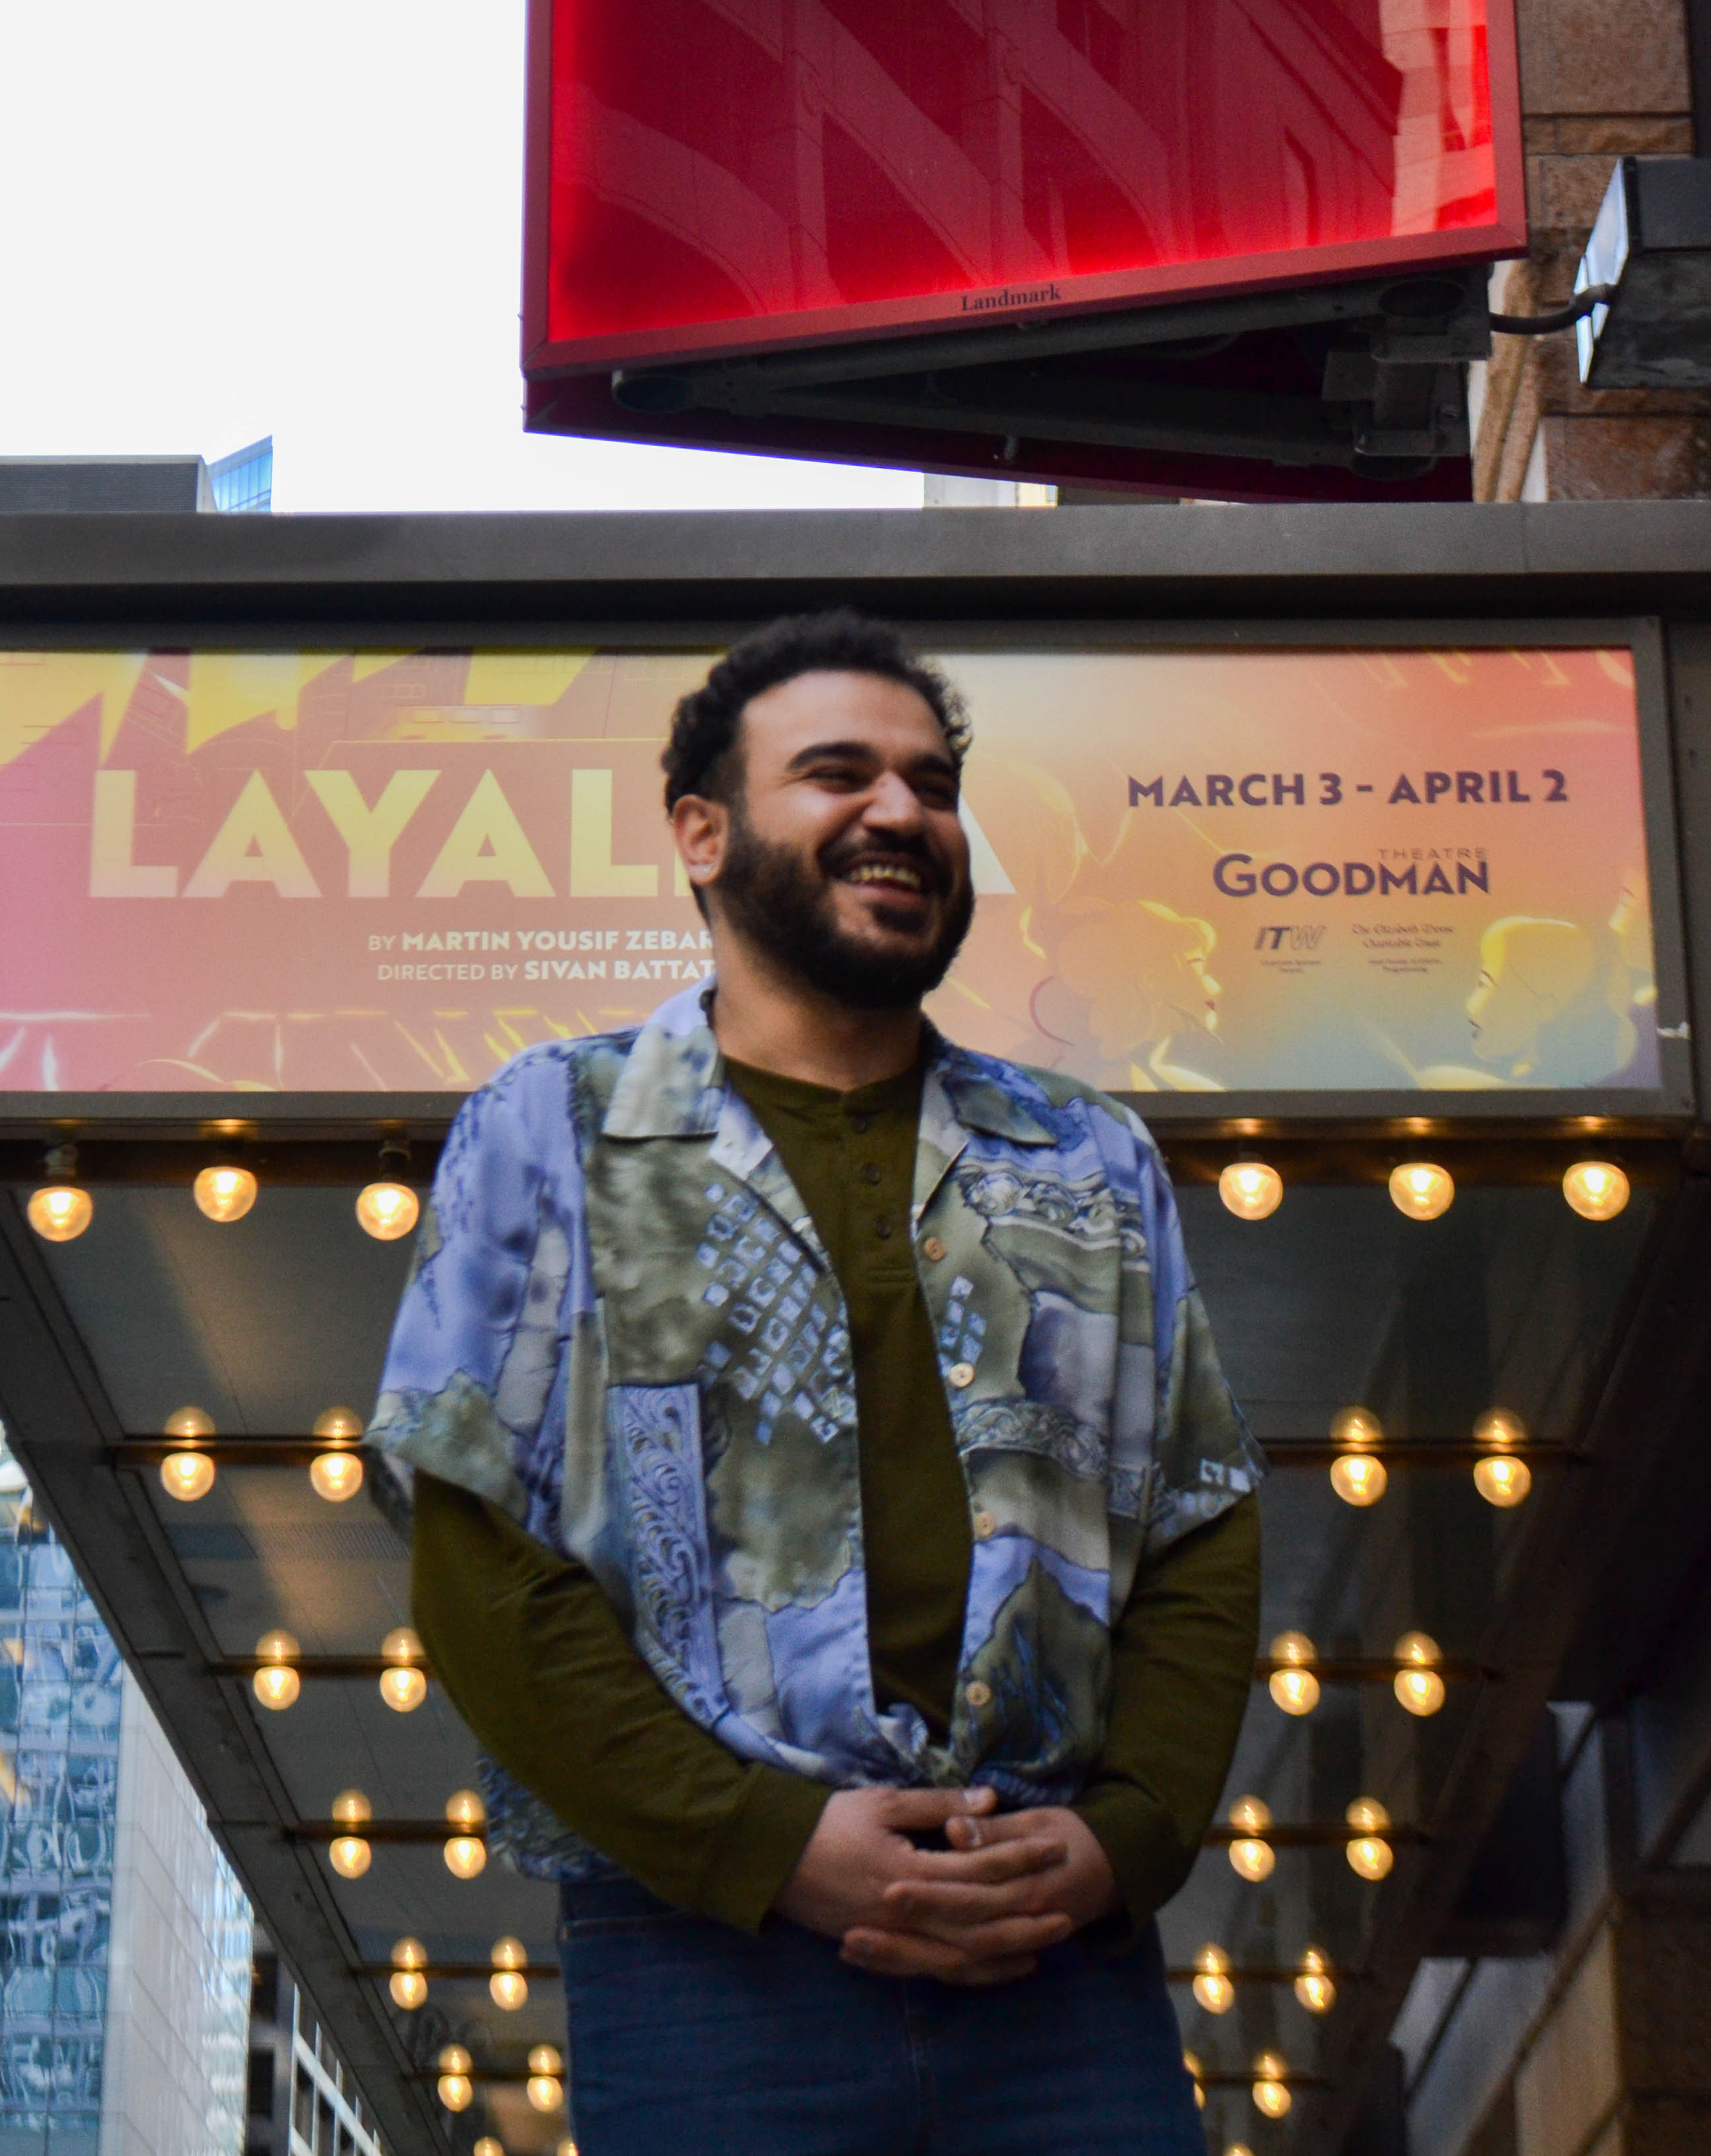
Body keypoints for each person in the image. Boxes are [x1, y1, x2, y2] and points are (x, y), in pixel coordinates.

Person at [368, 611, 1262, 2155]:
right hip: (704, 1954)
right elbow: (476, 1560)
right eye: (836, 773)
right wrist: (771, 1843)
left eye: (929, 782)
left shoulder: (1088, 1155)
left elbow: (1196, 1524)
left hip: (1058, 1966)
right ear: (701, 834)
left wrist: (1119, 1845)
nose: (900, 812)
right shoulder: (552, 1127)